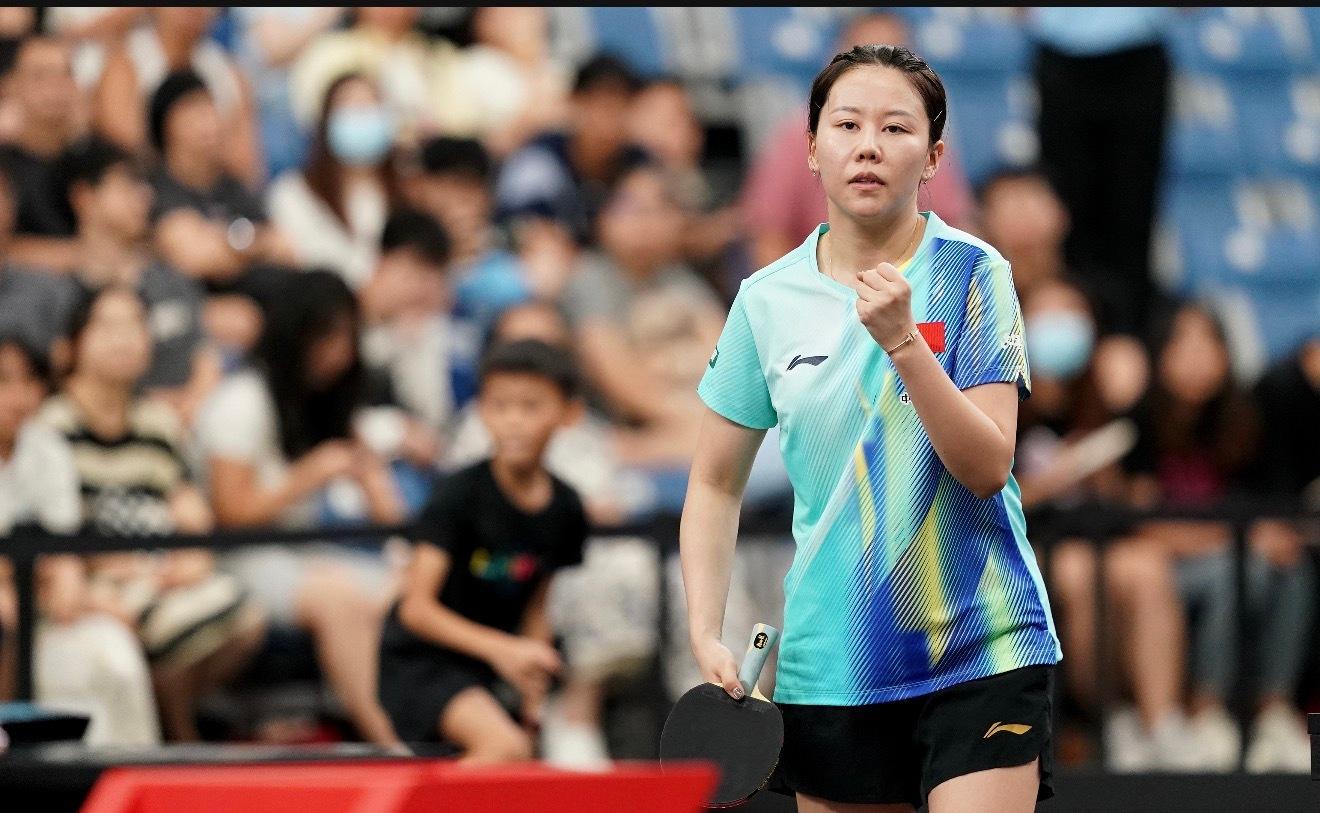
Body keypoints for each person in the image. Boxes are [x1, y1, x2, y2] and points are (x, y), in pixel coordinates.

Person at [682, 45, 1060, 812]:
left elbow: (988, 465)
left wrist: (904, 343)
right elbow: (715, 482)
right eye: (847, 125)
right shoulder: (765, 300)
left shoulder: (974, 273)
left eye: (896, 128)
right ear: (811, 148)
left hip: (981, 643)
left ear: (933, 157)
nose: (869, 146)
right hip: (835, 659)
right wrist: (704, 627)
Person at [39, 285, 266, 741]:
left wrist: (190, 561)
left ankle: (176, 731)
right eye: (108, 325)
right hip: (89, 588)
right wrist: (95, 583)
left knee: (243, 617)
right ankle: (179, 737)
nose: (124, 339)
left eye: (135, 325)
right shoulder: (49, 429)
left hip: (159, 580)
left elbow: (190, 512)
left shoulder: (159, 425)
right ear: (72, 345)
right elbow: (48, 541)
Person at [195, 269, 403, 746]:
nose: (340, 353)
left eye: (349, 338)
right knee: (339, 599)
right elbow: (230, 515)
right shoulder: (241, 401)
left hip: (299, 553)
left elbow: (390, 516)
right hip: (236, 560)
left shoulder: (325, 401)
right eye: (328, 337)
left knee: (407, 590)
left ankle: (429, 723)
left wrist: (374, 482)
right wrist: (307, 476)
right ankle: (390, 743)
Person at [1121, 303, 1314, 773]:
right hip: (1168, 568)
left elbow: (1267, 508)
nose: (1196, 358)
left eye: (1208, 343)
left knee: (1293, 570)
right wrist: (1238, 541)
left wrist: (1267, 539)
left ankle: (1273, 711)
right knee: (1241, 570)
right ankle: (1207, 710)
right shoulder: (1140, 421)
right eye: (1182, 344)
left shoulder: (1244, 420)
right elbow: (1146, 525)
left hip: (1233, 556)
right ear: (1159, 354)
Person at [378, 339, 587, 759]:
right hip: (422, 664)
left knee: (520, 760)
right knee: (504, 747)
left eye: (531, 406)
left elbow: (537, 607)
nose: (513, 421)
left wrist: (532, 686)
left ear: (569, 414)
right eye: (499, 405)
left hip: (491, 669)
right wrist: (502, 649)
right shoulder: (457, 496)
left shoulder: (566, 507)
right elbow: (415, 609)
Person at [0, 334, 161, 744]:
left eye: (28, 381)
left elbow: (62, 559)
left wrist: (84, 597)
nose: (17, 396)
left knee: (115, 655)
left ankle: (130, 777)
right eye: (3, 381)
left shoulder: (48, 447)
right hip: (12, 617)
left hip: (43, 611)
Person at [739, 13, 975, 271]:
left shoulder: (921, 138)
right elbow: (769, 237)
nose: (878, 69)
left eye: (894, 55)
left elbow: (954, 229)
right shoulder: (795, 136)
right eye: (863, 55)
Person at [559, 163, 725, 468]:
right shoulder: (590, 278)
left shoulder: (680, 278)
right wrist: (697, 418)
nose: (647, 223)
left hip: (696, 419)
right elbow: (619, 379)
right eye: (633, 209)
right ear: (603, 217)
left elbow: (727, 356)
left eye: (660, 210)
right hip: (622, 429)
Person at [1027, 8, 1173, 336]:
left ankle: (1126, 337)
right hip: (1061, 50)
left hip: (1137, 49)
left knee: (1133, 213)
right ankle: (1071, 332)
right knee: (1063, 214)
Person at [60, 136, 218, 423]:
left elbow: (205, 357)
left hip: (186, 424)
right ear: (85, 198)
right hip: (97, 426)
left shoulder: (174, 279)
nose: (144, 196)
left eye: (144, 186)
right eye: (127, 185)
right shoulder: (60, 292)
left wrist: (189, 406)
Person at [91, 7, 263, 187]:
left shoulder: (229, 72)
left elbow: (246, 165)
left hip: (213, 193)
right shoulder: (126, 63)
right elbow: (122, 145)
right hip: (147, 190)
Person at [494, 54, 649, 246]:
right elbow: (514, 232)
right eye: (604, 106)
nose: (612, 121)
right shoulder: (538, 162)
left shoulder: (640, 164)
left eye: (623, 107)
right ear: (575, 103)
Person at [268, 72, 399, 291]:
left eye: (371, 107)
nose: (362, 117)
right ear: (326, 121)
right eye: (351, 108)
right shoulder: (292, 193)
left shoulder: (407, 194)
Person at [403, 136, 531, 332]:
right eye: (449, 185)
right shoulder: (402, 253)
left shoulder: (517, 260)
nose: (461, 199)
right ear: (420, 190)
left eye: (472, 186)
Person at [0, 36, 85, 272]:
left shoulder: (97, 157)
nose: (56, 86)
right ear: (10, 85)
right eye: (40, 75)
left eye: (66, 74)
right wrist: (78, 257)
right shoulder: (4, 166)